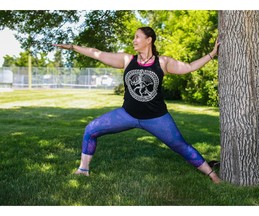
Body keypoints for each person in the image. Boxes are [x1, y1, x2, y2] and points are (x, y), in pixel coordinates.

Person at [53, 26, 221, 184]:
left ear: (149, 40)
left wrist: (212, 54)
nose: (134, 41)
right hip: (127, 115)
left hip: (157, 118)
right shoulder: (126, 59)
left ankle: (213, 176)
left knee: (181, 146)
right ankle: (83, 169)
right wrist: (72, 47)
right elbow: (97, 53)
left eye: (137, 37)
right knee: (91, 129)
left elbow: (190, 67)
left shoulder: (162, 62)